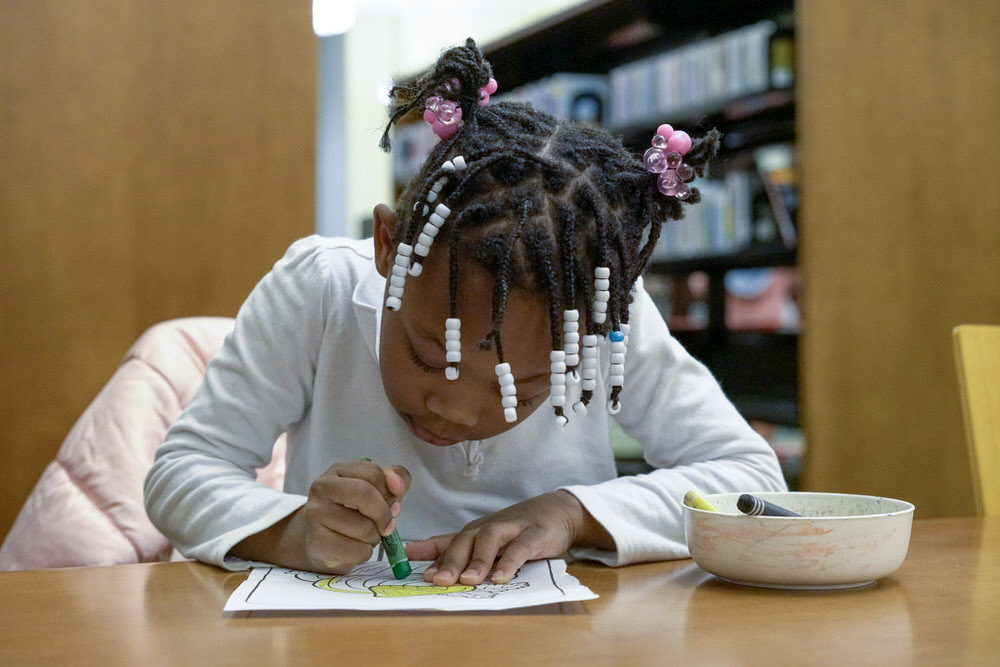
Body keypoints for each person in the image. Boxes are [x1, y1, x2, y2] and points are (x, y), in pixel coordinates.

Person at [144, 39, 786, 587]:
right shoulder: (318, 291)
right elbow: (180, 474)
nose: (456, 409)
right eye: (429, 351)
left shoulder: (601, 310)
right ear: (390, 248)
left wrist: (570, 514)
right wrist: (294, 534)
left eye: (523, 387)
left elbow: (752, 479)